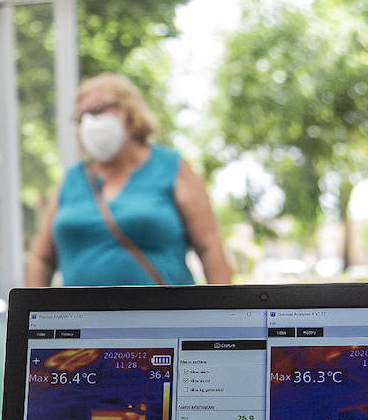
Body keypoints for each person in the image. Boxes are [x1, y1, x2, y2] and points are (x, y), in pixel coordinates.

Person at [26, 73, 232, 287]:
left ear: (128, 110)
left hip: (163, 317)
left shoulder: (171, 167)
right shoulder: (72, 179)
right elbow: (41, 259)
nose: (89, 122)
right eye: (80, 118)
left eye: (97, 110)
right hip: (82, 318)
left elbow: (210, 247)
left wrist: (226, 314)